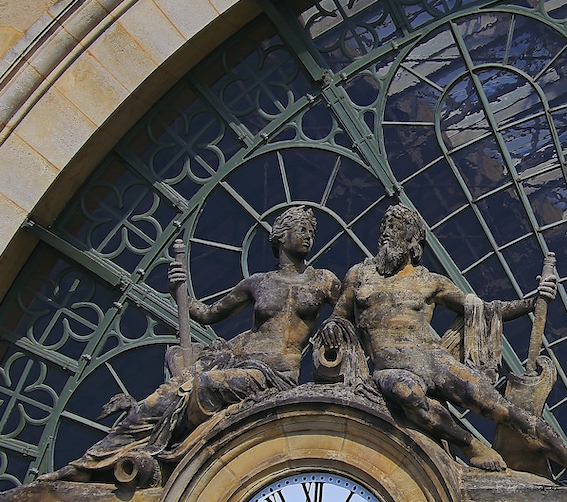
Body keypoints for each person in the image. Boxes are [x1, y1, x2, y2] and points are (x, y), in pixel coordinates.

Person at [41, 205, 348, 483]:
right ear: (281, 236)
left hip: (275, 375)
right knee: (162, 398)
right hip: (240, 362)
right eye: (302, 229)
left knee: (201, 386)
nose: (309, 236)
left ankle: (156, 449)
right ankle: (90, 463)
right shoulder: (257, 283)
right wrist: (179, 290)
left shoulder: (323, 280)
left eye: (312, 231)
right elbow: (206, 313)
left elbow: (348, 313)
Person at [330, 204, 567, 486]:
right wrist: (332, 329)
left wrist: (532, 302)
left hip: (433, 359)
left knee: (502, 409)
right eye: (385, 229)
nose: (388, 235)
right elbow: (338, 320)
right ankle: (471, 445)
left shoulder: (429, 281)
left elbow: (483, 309)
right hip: (390, 367)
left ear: (413, 242)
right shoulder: (359, 275)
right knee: (408, 393)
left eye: (397, 230)